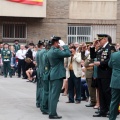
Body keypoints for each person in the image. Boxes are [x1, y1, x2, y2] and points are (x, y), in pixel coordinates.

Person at [90, 34, 116, 117]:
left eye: (99, 40)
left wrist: (100, 63)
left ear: (105, 39)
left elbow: (111, 60)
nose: (98, 42)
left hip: (107, 73)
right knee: (101, 92)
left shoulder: (110, 48)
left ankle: (110, 110)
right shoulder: (101, 49)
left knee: (107, 92)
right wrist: (93, 47)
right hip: (100, 73)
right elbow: (93, 56)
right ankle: (103, 110)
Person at [47, 36, 71, 119]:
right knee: (55, 96)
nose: (59, 44)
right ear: (56, 43)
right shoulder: (55, 51)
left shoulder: (50, 51)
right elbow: (68, 54)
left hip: (53, 73)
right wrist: (65, 46)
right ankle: (52, 113)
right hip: (57, 74)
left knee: (52, 95)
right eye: (58, 43)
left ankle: (51, 111)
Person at [108, 51, 120, 120]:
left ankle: (112, 118)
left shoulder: (114, 55)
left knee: (114, 101)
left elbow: (110, 65)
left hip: (115, 80)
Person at [35, 40, 44, 108]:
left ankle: (38, 102)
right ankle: (40, 101)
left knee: (39, 87)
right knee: (42, 88)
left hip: (38, 70)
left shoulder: (37, 53)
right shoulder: (41, 52)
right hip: (41, 71)